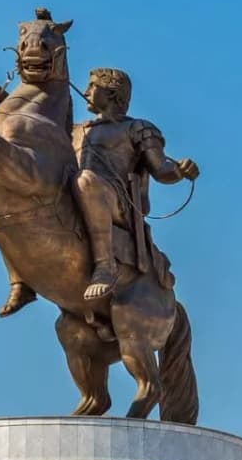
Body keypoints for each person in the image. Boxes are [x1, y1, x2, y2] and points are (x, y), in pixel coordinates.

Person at [70, 67, 199, 303]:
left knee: (85, 180)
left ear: (111, 93)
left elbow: (161, 170)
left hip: (117, 203)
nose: (87, 91)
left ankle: (105, 266)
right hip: (77, 193)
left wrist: (180, 170)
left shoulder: (137, 128)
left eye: (92, 86)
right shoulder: (76, 131)